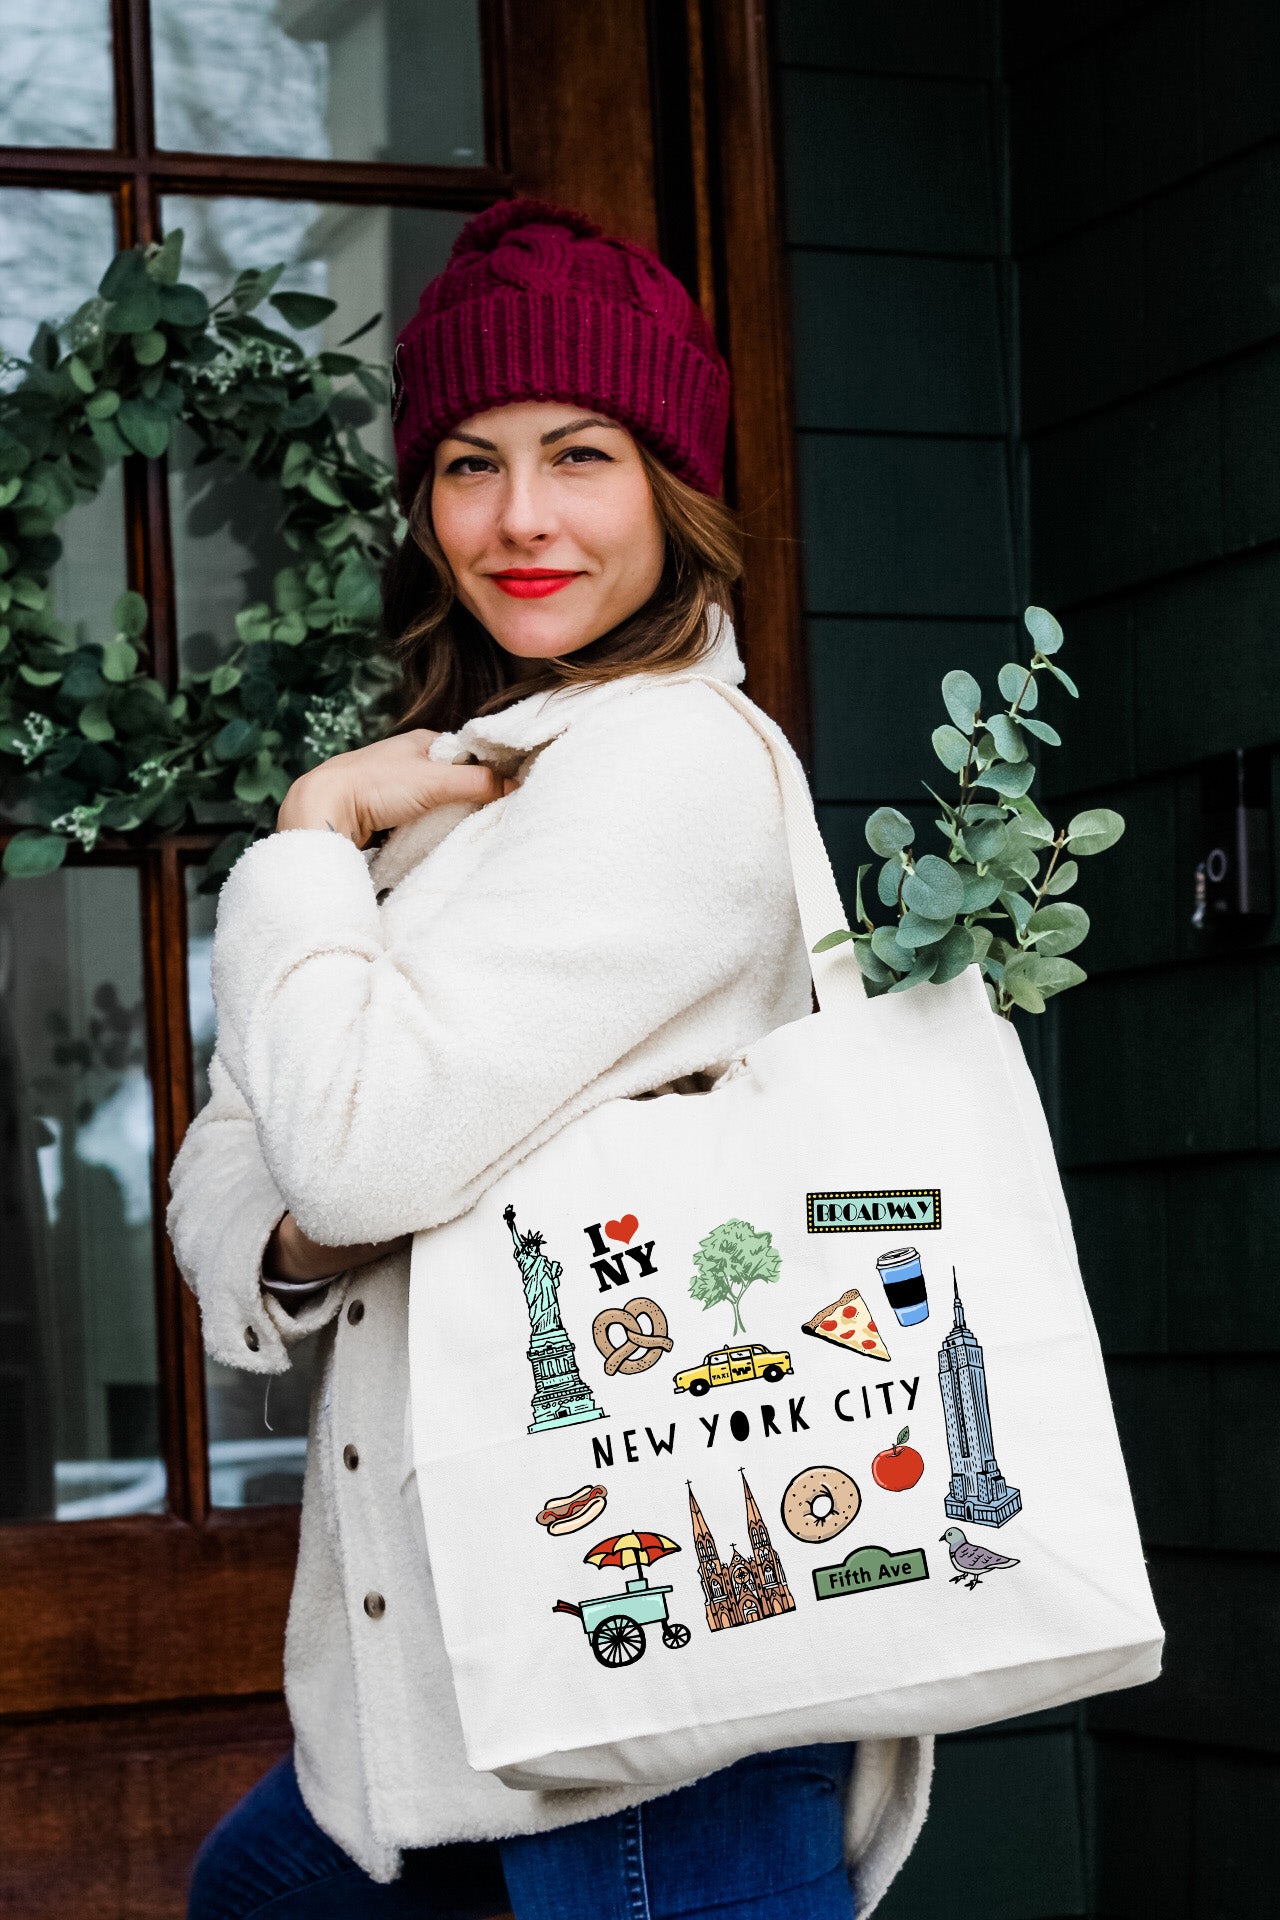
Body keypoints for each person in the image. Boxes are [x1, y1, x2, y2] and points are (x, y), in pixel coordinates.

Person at [171, 199, 932, 1920]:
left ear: (672, 485)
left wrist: (305, 835)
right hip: (451, 1683)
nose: (518, 519)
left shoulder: (663, 767)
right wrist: (310, 1203)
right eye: (466, 462)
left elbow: (348, 1153)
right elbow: (238, 1173)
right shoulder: (466, 788)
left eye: (578, 454)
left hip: (653, 1683)